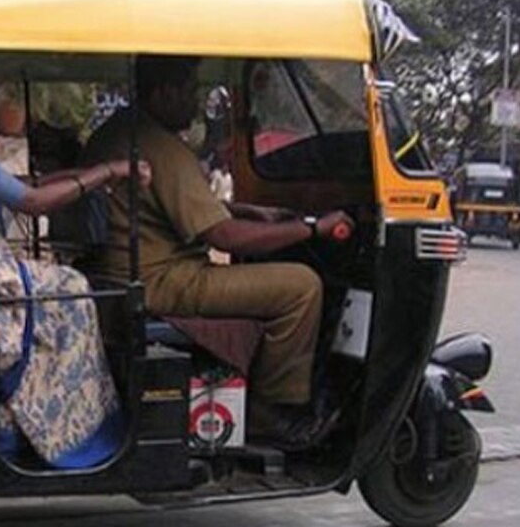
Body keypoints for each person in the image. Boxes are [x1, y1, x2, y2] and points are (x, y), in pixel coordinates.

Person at [82, 55, 353, 450]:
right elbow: (225, 238)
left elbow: (172, 211)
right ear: (163, 93)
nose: (196, 104)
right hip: (163, 280)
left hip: (123, 271)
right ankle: (269, 409)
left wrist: (251, 212)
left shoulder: (117, 132)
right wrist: (310, 228)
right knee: (302, 285)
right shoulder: (160, 147)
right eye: (191, 92)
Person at [0, 51, 149, 469]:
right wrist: (103, 173)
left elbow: (13, 186)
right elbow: (30, 203)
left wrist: (84, 176)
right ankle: (66, 430)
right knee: (71, 288)